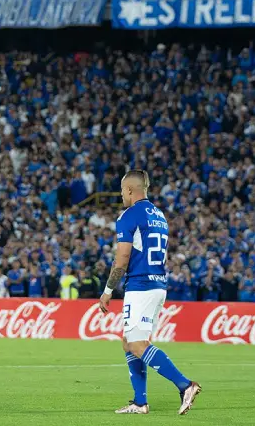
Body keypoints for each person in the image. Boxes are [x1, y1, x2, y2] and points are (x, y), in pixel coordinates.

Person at [98, 170, 201, 415]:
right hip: (157, 285)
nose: (122, 195)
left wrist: (107, 290)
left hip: (140, 286)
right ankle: (140, 402)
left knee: (137, 344)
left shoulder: (128, 216)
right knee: (129, 342)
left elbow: (122, 259)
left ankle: (185, 385)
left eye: (123, 190)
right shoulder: (159, 215)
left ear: (131, 190)